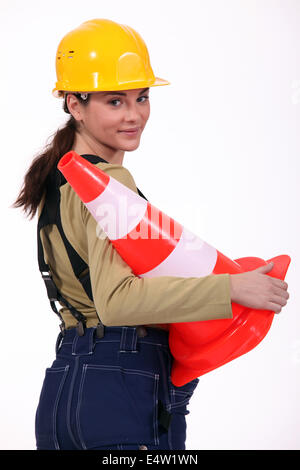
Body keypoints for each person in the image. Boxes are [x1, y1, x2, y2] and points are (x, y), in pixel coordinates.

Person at [12, 18, 290, 451]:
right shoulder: (108, 182)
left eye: (141, 97)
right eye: (114, 101)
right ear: (74, 104)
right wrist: (232, 287)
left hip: (68, 385)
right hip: (119, 384)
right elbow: (117, 301)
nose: (134, 114)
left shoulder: (60, 179)